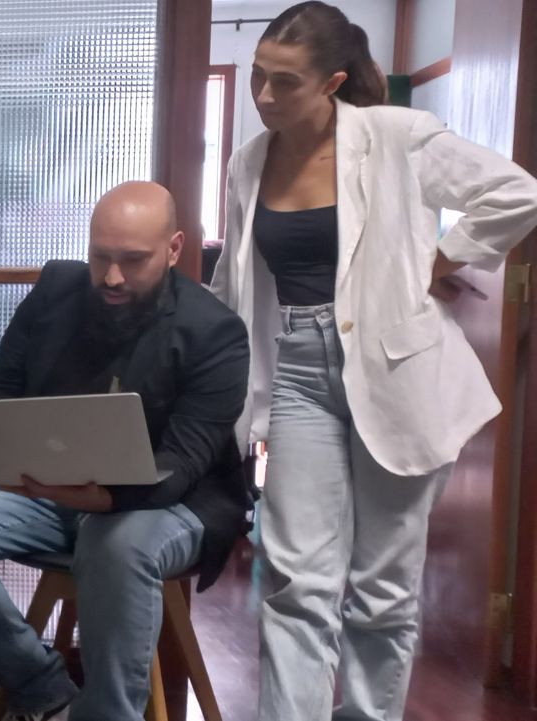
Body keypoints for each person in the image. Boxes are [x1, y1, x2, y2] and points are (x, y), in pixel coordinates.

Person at [210, 4, 537, 719]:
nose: (263, 96)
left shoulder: (396, 136)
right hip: (297, 369)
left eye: (284, 82)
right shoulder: (248, 162)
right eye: (258, 77)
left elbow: (517, 193)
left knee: (383, 590)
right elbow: (233, 282)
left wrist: (439, 259)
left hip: (396, 373)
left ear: (332, 82)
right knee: (297, 582)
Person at [0, 182, 251, 721]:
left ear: (174, 249)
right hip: (57, 489)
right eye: (100, 257)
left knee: (117, 544)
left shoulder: (215, 331)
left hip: (174, 503)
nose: (111, 277)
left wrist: (106, 500)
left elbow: (184, 463)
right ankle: (44, 691)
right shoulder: (56, 289)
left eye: (132, 261)